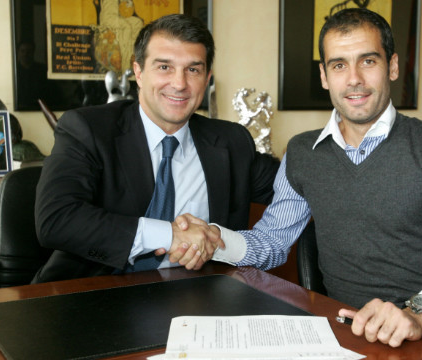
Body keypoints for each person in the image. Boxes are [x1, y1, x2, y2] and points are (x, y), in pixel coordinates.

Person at [176, 8, 422, 360]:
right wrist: (216, 240)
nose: (354, 79)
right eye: (339, 65)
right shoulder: (302, 152)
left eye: (368, 61)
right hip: (340, 330)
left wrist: (418, 312)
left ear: (392, 66)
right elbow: (272, 242)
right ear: (325, 75)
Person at [32, 14, 279, 283]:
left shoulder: (231, 142)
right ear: (138, 72)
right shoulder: (88, 130)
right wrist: (169, 235)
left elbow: (300, 184)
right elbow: (56, 219)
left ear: (207, 78)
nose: (179, 84)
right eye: (164, 67)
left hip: (197, 299)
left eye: (193, 70)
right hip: (94, 296)